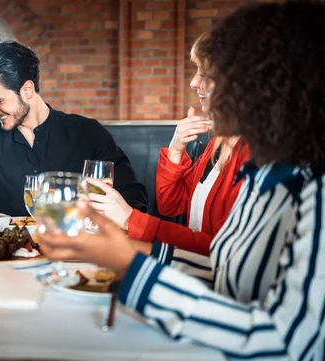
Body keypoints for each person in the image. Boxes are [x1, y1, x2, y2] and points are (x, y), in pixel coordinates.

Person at [38, 1, 325, 359]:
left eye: (209, 74)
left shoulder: (314, 189)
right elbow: (221, 267)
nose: (193, 83)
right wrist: (124, 251)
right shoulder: (266, 173)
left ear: (268, 85)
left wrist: (130, 261)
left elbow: (289, 346)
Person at [86, 32, 250, 284]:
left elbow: (221, 250)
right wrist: (175, 150)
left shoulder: (253, 156)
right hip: (193, 275)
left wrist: (132, 220)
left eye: (203, 75)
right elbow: (172, 206)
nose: (193, 83)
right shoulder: (217, 143)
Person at [0, 41, 147, 216]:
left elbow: (133, 198)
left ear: (27, 90)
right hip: (13, 256)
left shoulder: (88, 133)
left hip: (80, 252)